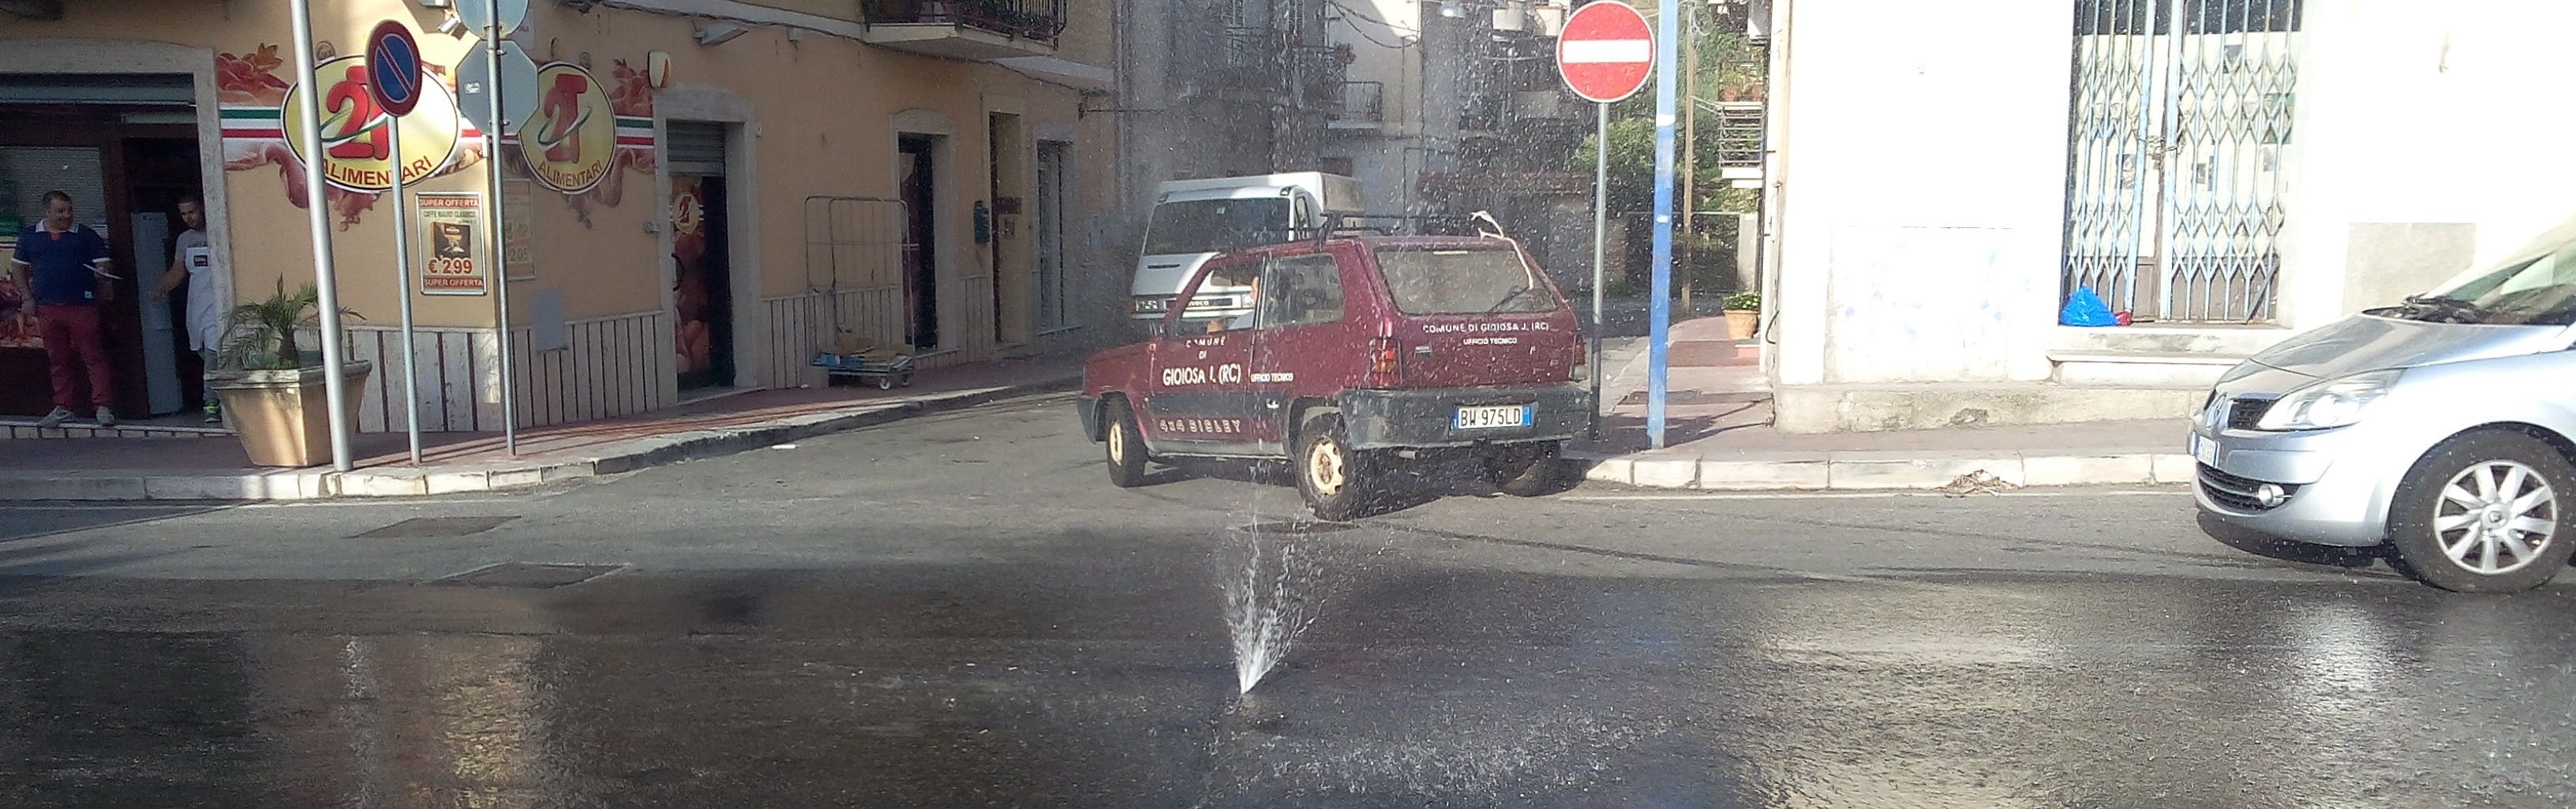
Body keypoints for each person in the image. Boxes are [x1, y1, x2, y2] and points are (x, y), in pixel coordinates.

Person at [7, 190, 118, 429]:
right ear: (47, 211)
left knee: (93, 356)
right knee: (57, 358)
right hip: (47, 306)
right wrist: (27, 297)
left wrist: (102, 273)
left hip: (82, 305)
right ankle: (64, 407)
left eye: (69, 210)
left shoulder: (85, 235)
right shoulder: (30, 236)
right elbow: (18, 269)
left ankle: (103, 406)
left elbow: (103, 264)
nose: (66, 216)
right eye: (60, 211)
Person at [154, 194, 224, 423]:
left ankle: (211, 403)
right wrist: (160, 288)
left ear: (203, 208)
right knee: (203, 351)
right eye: (183, 214)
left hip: (220, 299)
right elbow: (178, 271)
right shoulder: (184, 239)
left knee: (214, 352)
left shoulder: (219, 230)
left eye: (191, 212)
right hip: (197, 303)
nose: (188, 218)